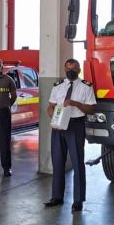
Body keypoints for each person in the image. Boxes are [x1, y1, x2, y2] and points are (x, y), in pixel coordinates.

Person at [44, 59, 96, 212]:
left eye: (73, 68)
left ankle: (78, 200)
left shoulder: (86, 87)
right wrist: (54, 118)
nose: (70, 70)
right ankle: (57, 197)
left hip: (75, 125)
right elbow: (50, 107)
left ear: (79, 69)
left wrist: (76, 104)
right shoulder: (58, 86)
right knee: (58, 161)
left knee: (77, 162)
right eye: (67, 68)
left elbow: (92, 109)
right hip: (59, 126)